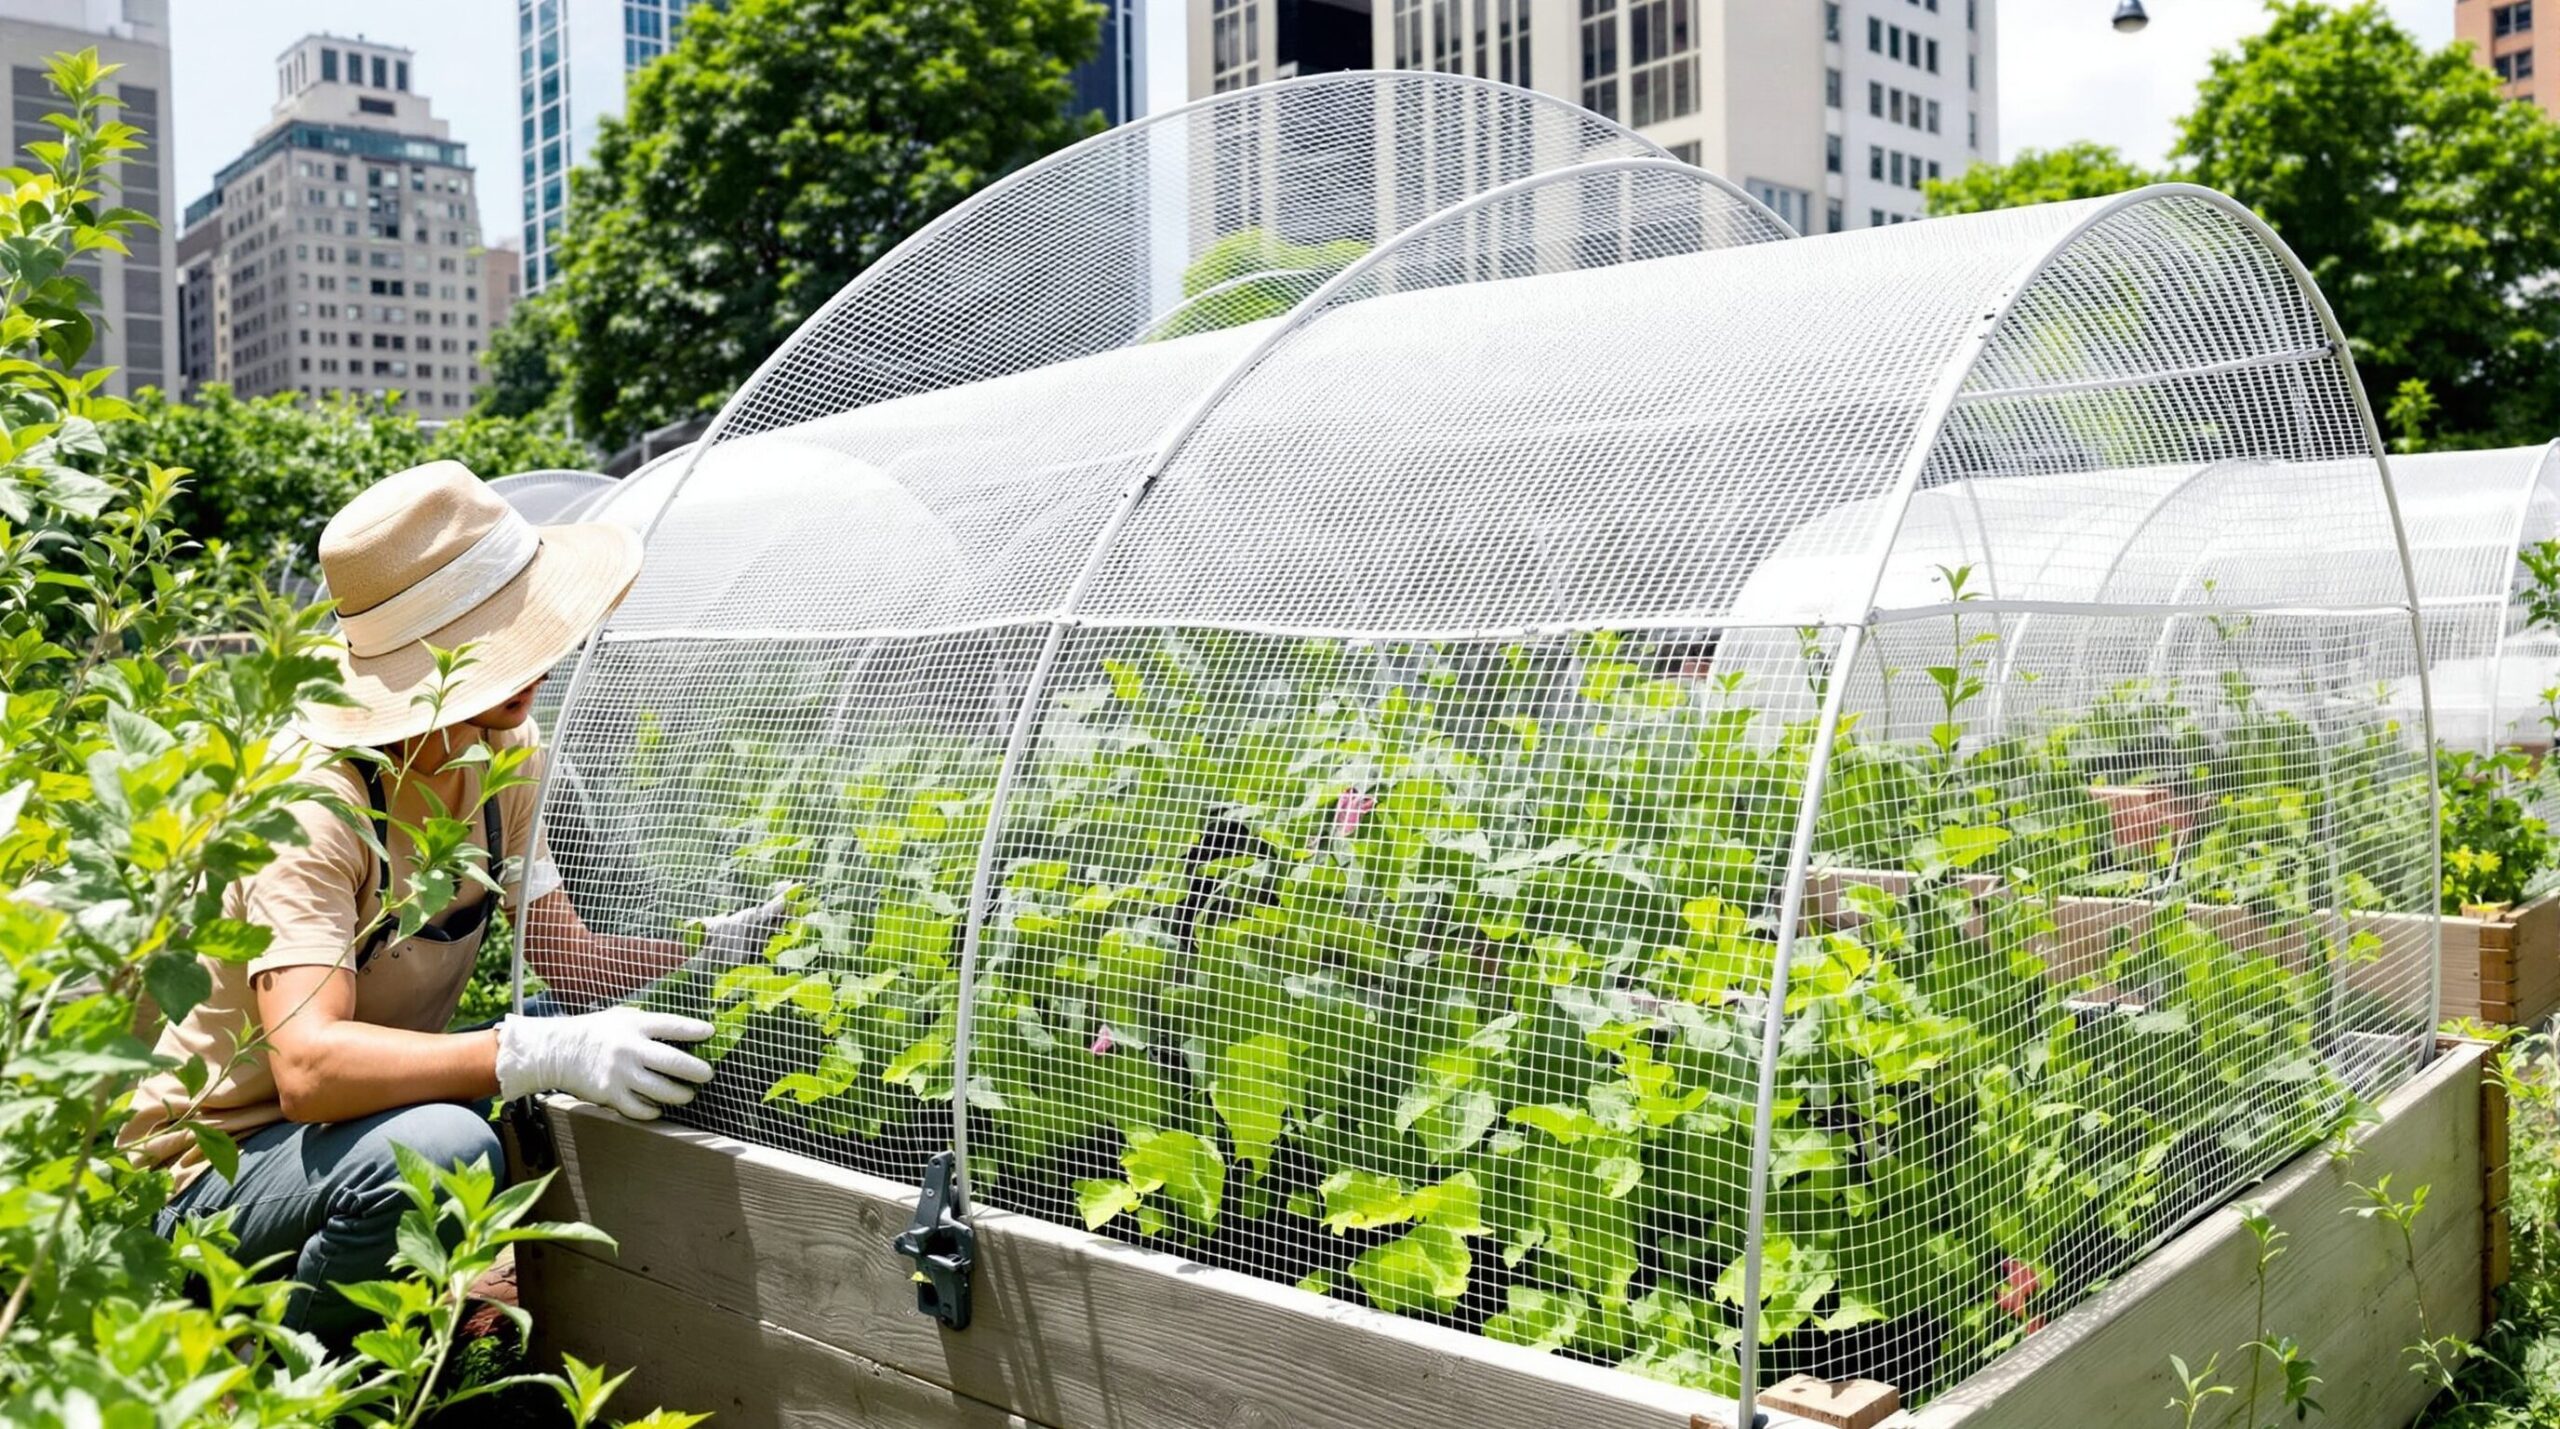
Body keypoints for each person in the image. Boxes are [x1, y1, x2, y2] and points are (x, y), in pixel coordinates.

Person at [120, 461, 788, 1337]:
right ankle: (296, 1377)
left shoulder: (505, 757)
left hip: (358, 1123)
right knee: (443, 1150)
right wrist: (530, 1049)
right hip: (214, 1171)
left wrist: (712, 952)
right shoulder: (313, 803)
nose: (535, 662)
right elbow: (309, 1070)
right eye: (493, 639)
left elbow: (572, 963)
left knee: (659, 1026)